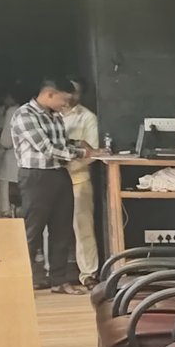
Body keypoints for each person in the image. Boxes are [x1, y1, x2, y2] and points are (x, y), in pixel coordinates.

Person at [9, 78, 89, 294]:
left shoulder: (54, 115)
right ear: (50, 94)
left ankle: (59, 281)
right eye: (64, 99)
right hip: (36, 177)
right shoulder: (25, 115)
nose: (66, 105)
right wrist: (83, 153)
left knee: (62, 229)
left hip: (59, 173)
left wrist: (81, 146)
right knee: (33, 230)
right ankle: (19, 281)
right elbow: (46, 148)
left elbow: (61, 144)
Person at [62, 78, 100, 285]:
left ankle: (88, 273)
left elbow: (93, 153)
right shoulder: (50, 115)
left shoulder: (87, 117)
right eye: (67, 91)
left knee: (83, 227)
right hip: (54, 179)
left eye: (75, 92)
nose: (70, 96)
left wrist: (69, 167)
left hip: (79, 179)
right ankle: (53, 272)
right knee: (54, 228)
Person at [0, 86, 17, 218]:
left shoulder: (13, 111)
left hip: (10, 161)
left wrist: (0, 135)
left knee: (7, 200)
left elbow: (6, 141)